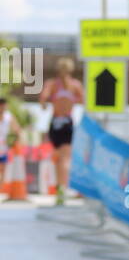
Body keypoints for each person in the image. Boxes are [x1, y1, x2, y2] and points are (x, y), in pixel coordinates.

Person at [38, 57, 84, 205]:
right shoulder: (75, 85)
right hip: (67, 123)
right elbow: (85, 101)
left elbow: (43, 100)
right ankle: (63, 189)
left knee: (58, 158)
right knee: (65, 158)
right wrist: (71, 101)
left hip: (55, 123)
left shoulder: (51, 84)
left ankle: (59, 189)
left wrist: (49, 103)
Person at [0, 96, 16, 177]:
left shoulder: (8, 117)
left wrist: (13, 142)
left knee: (3, 170)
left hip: (4, 147)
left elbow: (17, 130)